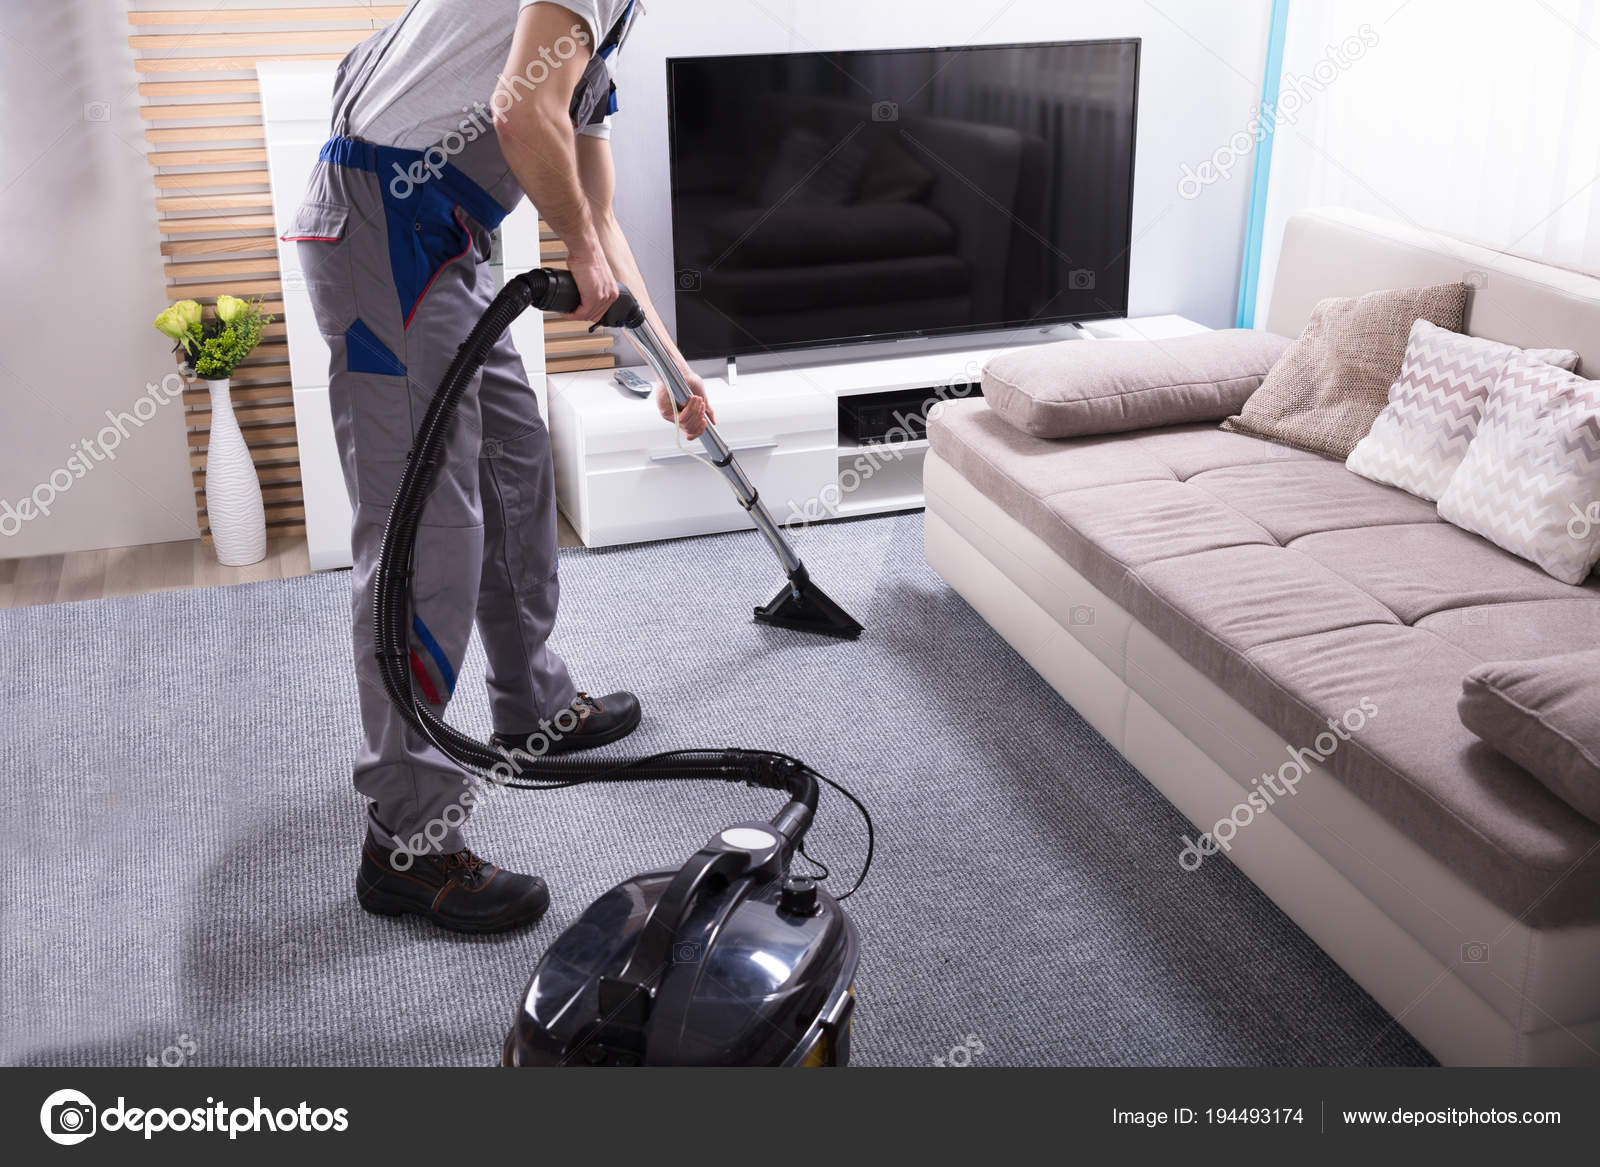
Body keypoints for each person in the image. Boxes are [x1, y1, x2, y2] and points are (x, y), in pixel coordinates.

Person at [285, 0, 713, 935]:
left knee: (517, 462)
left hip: (447, 238)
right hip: (385, 224)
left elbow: (598, 215)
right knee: (427, 531)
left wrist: (670, 366)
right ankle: (408, 839)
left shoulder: (609, 24)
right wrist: (580, 247)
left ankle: (533, 708)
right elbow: (521, 114)